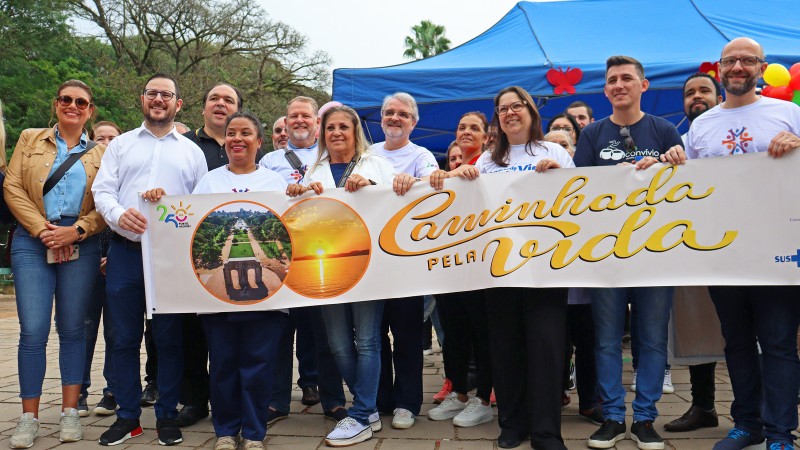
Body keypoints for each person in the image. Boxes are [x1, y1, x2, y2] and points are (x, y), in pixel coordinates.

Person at [663, 37, 800, 450]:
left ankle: (780, 433)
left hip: (777, 251)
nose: (737, 66)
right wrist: (669, 156)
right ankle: (747, 424)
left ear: (761, 67)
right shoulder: (701, 126)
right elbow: (684, 177)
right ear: (720, 69)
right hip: (725, 253)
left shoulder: (788, 113)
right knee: (737, 342)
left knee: (777, 343)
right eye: (730, 61)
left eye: (747, 60)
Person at [146, 111, 289, 450]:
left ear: (258, 141)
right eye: (232, 133)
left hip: (269, 300)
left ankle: (254, 433)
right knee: (223, 364)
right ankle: (225, 430)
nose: (238, 138)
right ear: (225, 141)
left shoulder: (276, 183)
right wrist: (159, 201)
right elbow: (188, 227)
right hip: (216, 300)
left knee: (258, 364)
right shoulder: (209, 182)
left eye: (246, 133)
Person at [441, 86, 574, 450]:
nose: (510, 113)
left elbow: (579, 200)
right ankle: (512, 424)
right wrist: (461, 178)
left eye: (517, 106)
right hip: (498, 270)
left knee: (546, 351)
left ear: (531, 111)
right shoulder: (486, 159)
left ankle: (547, 432)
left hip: (547, 268)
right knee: (505, 349)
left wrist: (558, 175)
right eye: (503, 109)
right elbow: (460, 202)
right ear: (497, 118)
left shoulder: (555, 151)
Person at [574, 56, 683, 450]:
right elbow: (579, 192)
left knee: (652, 339)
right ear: (605, 90)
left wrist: (673, 163)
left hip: (656, 252)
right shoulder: (593, 134)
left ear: (643, 85)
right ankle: (613, 417)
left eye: (626, 79)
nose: (619, 85)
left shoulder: (665, 129)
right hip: (606, 254)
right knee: (605, 339)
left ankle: (646, 419)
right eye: (612, 81)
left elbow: (686, 187)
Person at [92, 73, 208, 446]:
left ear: (179, 104)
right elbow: (102, 190)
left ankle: (166, 415)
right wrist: (118, 214)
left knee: (170, 339)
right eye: (152, 94)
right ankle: (127, 416)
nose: (159, 99)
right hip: (126, 253)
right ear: (142, 99)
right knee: (123, 338)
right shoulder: (121, 145)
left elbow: (201, 204)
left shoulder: (192, 151)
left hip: (170, 259)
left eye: (166, 95)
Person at [4, 79, 106, 448]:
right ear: (56, 103)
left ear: (90, 110)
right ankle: (28, 417)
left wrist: (76, 231)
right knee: (32, 330)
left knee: (73, 328)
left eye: (81, 102)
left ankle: (69, 413)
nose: (73, 106)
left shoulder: (100, 154)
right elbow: (12, 186)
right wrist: (41, 229)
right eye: (66, 99)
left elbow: (105, 205)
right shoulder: (30, 139)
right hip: (33, 241)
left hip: (80, 243)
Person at [288, 105, 394, 447]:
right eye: (330, 127)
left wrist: (372, 186)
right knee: (337, 343)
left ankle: (361, 414)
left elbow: (396, 203)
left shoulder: (376, 164)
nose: (336, 133)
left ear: (355, 132)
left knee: (367, 340)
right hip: (327, 267)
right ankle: (369, 407)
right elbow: (301, 218)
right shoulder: (313, 169)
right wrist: (297, 193)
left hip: (367, 264)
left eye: (343, 127)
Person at [261, 97, 346, 426]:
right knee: (280, 333)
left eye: (306, 116)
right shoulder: (269, 159)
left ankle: (334, 400)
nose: (299, 121)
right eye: (293, 116)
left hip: (321, 254)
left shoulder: (331, 155)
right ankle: (276, 401)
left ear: (316, 122)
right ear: (286, 120)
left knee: (326, 333)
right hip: (281, 256)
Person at [177, 83, 247, 428]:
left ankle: (233, 400)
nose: (221, 104)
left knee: (229, 334)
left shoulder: (247, 147)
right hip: (195, 250)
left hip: (238, 252)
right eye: (214, 99)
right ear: (202, 108)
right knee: (192, 330)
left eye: (228, 100)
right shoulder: (184, 146)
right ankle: (194, 400)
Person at [368, 92, 438, 430]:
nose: (395, 119)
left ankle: (408, 403)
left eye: (403, 114)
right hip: (369, 262)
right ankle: (380, 400)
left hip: (407, 262)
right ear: (381, 119)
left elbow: (436, 186)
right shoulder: (366, 155)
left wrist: (417, 183)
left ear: (414, 121)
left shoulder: (422, 156)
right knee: (373, 335)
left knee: (408, 336)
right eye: (389, 113)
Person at [661, 72, 724, 434]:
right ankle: (704, 406)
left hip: (750, 245)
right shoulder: (682, 143)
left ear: (718, 96)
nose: (696, 97)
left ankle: (761, 411)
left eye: (704, 90)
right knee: (702, 326)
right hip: (701, 245)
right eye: (689, 93)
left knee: (755, 331)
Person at [425, 112, 494, 429]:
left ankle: (483, 400)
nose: (467, 131)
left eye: (474, 128)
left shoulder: (490, 164)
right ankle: (459, 393)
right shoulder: (446, 173)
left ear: (486, 136)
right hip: (451, 267)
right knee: (453, 334)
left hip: (483, 266)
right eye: (462, 126)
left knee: (483, 332)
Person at [79, 121, 123, 418]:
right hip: (86, 260)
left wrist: (114, 257)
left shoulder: (124, 174)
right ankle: (79, 390)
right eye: (99, 138)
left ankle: (112, 391)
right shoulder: (80, 173)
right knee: (83, 327)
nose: (105, 142)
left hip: (119, 258)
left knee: (116, 331)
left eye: (112, 138)